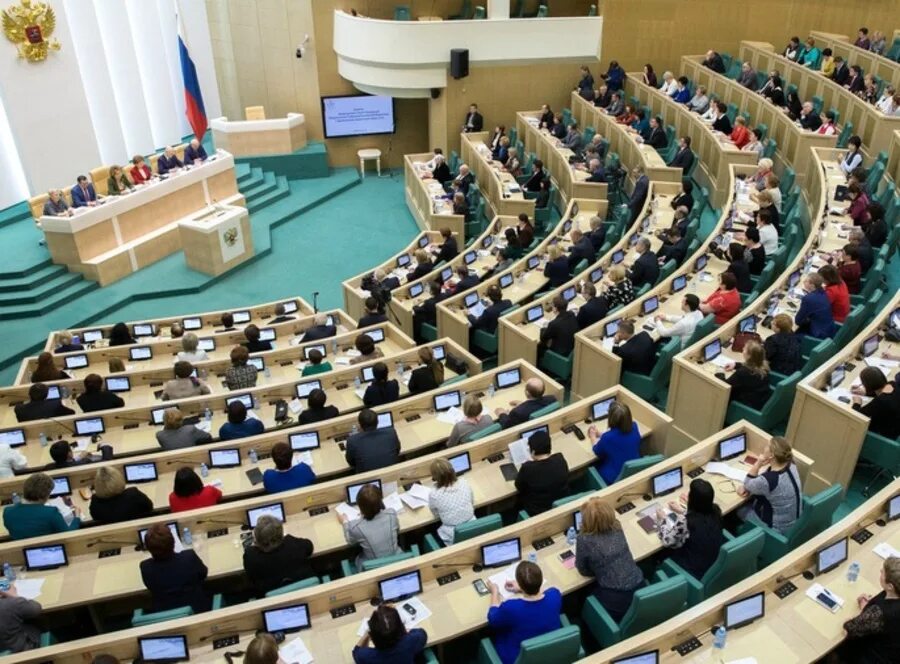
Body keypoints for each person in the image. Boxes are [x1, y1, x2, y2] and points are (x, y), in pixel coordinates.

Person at [575, 498, 644, 621]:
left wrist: (599, 569)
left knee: (581, 600)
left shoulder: (584, 539)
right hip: (640, 586)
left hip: (614, 599)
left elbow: (583, 570)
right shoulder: (617, 527)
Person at [657, 478, 725, 580]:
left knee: (658, 556)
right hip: (712, 561)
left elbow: (667, 541)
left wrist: (662, 520)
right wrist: (682, 510)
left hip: (693, 570)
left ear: (693, 499)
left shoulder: (686, 522)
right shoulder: (716, 510)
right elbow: (700, 516)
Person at [838, 556, 900, 663]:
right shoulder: (893, 595)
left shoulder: (881, 613)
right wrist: (867, 608)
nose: (880, 571)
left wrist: (863, 614)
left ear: (890, 586)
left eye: (883, 573)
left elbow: (850, 628)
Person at [140, 522, 210, 612]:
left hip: (166, 615)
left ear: (148, 549)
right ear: (173, 542)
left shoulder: (146, 568)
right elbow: (203, 574)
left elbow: (150, 587)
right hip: (197, 610)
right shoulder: (188, 557)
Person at [738, 436, 802, 534]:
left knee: (741, 510)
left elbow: (747, 484)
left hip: (776, 530)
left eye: (767, 446)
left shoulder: (768, 480)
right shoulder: (791, 463)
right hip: (795, 523)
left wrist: (758, 463)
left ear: (771, 455)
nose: (764, 447)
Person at [242, 514, 314, 597]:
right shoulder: (292, 543)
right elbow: (309, 547)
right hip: (307, 593)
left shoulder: (251, 556)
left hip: (273, 602)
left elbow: (250, 575)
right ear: (281, 534)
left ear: (257, 539)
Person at [3, 473, 81, 539]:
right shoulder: (51, 513)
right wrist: (77, 517)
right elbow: (68, 535)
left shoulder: (7, 511)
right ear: (45, 496)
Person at [340, 483, 401, 568]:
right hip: (398, 560)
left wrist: (345, 522)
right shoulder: (391, 514)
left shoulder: (356, 527)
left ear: (360, 507)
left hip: (374, 567)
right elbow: (398, 530)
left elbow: (350, 541)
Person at [353, 605, 428, 664]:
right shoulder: (412, 640)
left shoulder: (367, 656)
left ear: (373, 637)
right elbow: (421, 633)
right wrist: (396, 622)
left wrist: (369, 631)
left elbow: (356, 651)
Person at [589, 402, 641, 484]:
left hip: (613, 478)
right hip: (633, 472)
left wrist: (592, 436)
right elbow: (619, 438)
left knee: (589, 468)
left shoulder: (607, 438)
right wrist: (600, 434)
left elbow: (597, 450)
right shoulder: (634, 426)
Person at [428, 457, 475, 545]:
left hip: (452, 533)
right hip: (473, 526)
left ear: (435, 477)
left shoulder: (434, 494)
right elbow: (472, 502)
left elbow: (436, 515)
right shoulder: (464, 483)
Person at [852, 367, 900, 439]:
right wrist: (866, 393)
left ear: (867, 385)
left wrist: (857, 403)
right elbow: (881, 393)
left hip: (885, 435)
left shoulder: (881, 401)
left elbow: (857, 416)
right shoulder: (892, 384)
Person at [722, 341, 771, 409]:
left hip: (745, 405)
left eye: (745, 349)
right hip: (759, 400)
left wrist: (720, 374)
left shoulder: (743, 373)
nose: (743, 349)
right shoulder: (764, 366)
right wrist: (736, 365)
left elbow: (725, 385)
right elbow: (750, 366)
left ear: (749, 356)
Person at [795, 273, 836, 339]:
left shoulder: (808, 299)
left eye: (806, 281)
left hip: (817, 335)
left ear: (812, 285)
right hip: (829, 330)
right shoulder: (823, 292)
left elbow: (798, 321)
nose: (803, 282)